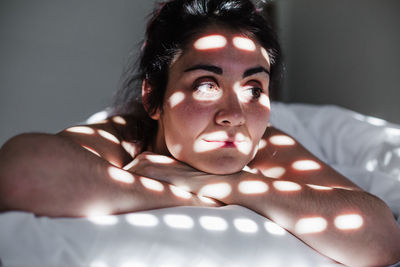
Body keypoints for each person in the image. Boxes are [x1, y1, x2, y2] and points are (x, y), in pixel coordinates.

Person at [0, 0, 399, 265]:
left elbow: (379, 235)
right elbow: (24, 172)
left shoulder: (267, 144)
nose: (234, 115)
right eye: (206, 84)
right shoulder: (123, 136)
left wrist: (228, 186)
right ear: (154, 98)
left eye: (254, 88)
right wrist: (184, 194)